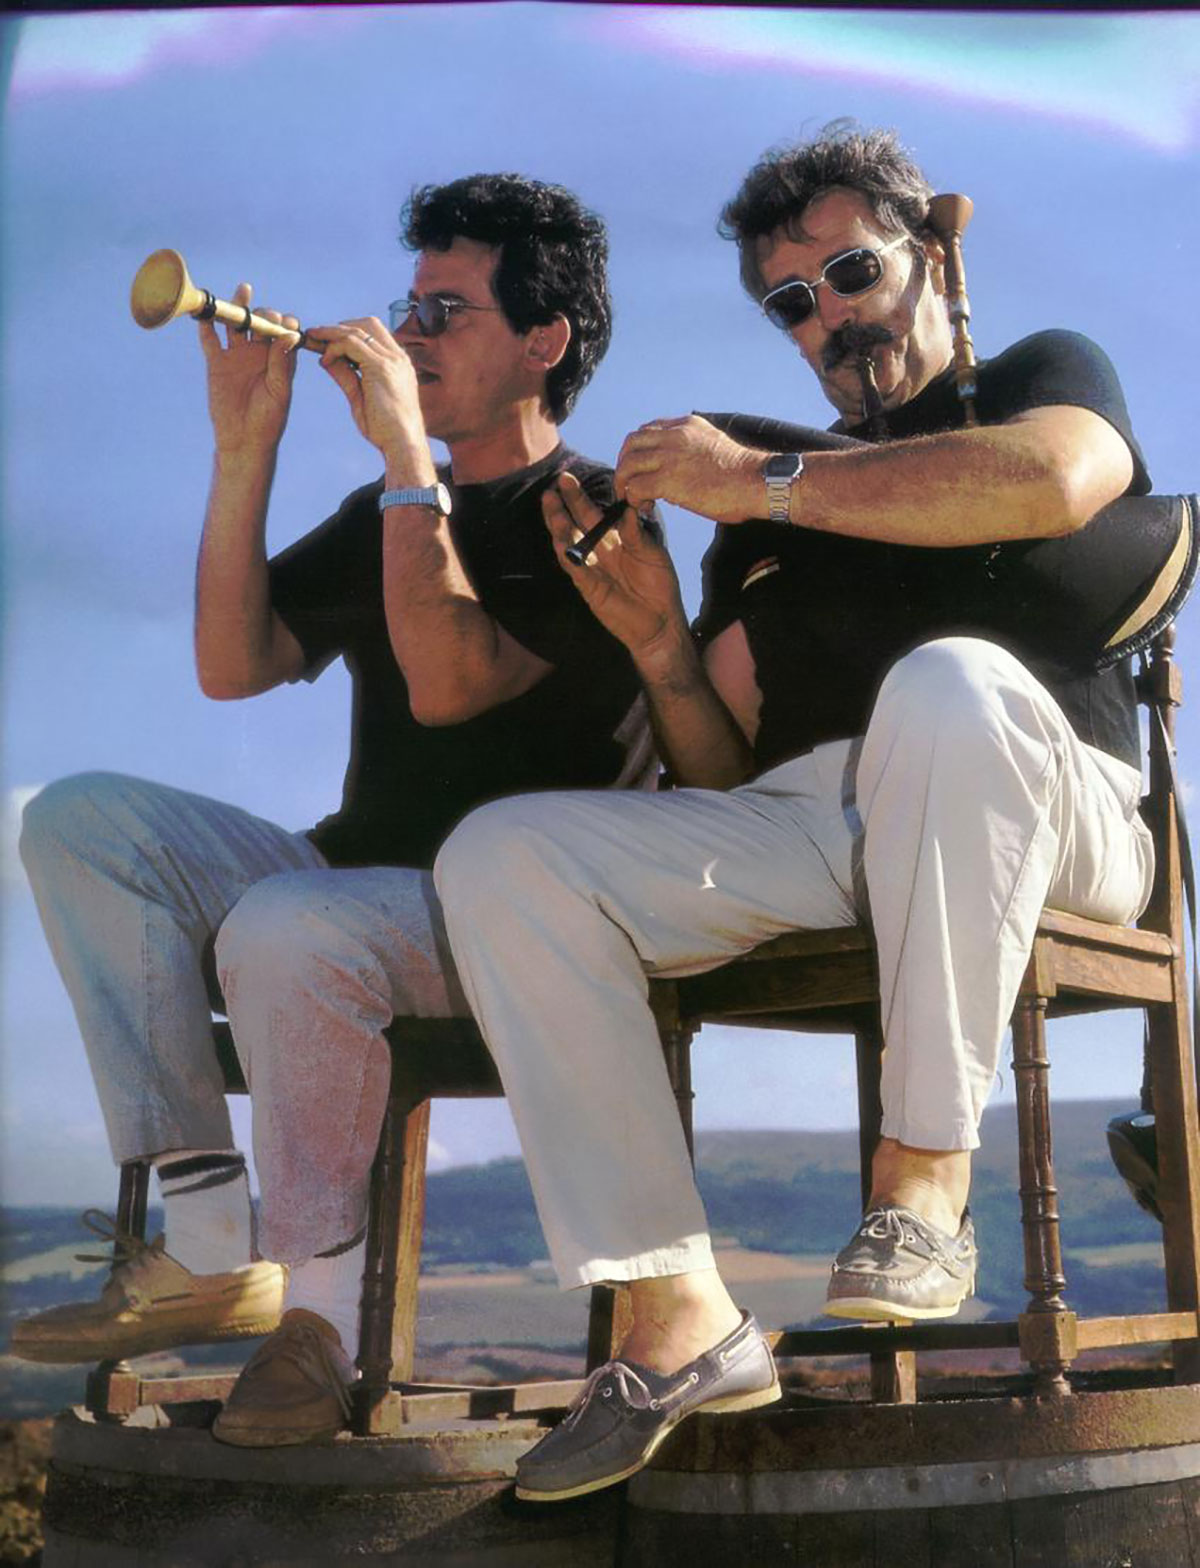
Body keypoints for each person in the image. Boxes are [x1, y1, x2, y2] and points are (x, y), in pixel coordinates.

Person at [431, 123, 1155, 1502]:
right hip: (830, 818)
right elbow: (719, 772)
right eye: (790, 303)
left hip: (1049, 802)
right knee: (508, 853)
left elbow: (1058, 479)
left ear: (931, 254)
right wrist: (657, 643)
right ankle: (675, 1311)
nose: (827, 317)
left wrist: (757, 480)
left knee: (945, 686)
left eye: (851, 273)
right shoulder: (758, 518)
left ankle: (922, 1185)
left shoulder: (1035, 376)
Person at [15, 173, 657, 1448]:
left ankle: (316, 1322)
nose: (408, 335)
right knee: (78, 821)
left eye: (446, 312)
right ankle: (210, 1240)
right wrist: (243, 447)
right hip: (350, 882)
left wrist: (410, 459)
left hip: (518, 922)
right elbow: (232, 662)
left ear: (546, 340)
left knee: (290, 925)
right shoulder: (385, 511)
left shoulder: (591, 512)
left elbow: (451, 683)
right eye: (408, 306)